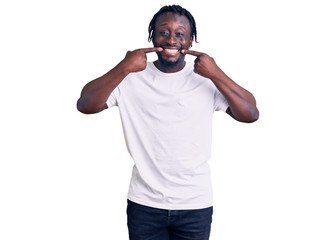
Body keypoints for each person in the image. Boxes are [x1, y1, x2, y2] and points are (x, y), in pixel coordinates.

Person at [77, 5, 259, 240]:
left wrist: (216, 73)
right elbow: (85, 104)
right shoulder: (130, 77)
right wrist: (124, 67)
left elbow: (250, 113)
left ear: (190, 41)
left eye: (180, 34)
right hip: (144, 203)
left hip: (195, 203)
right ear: (153, 36)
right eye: (164, 32)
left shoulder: (205, 79)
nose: (171, 39)